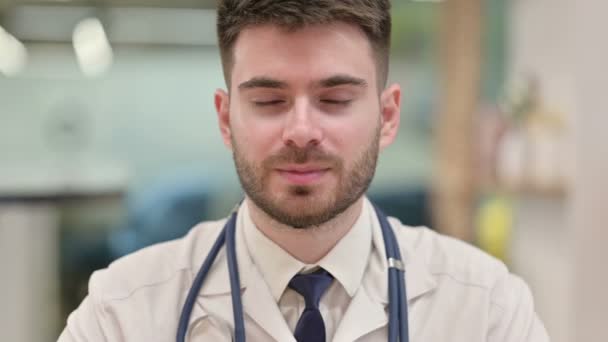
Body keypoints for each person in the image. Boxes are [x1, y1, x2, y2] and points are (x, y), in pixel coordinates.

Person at [58, 0, 550, 341]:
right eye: (270, 100)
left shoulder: (487, 309)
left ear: (388, 116)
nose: (301, 130)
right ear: (226, 119)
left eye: (334, 99)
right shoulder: (122, 313)